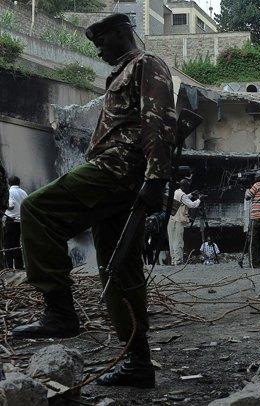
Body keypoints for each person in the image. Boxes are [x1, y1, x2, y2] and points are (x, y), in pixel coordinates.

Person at [11, 13, 177, 389]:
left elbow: (158, 121)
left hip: (115, 171)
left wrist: (156, 176)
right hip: (122, 179)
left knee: (36, 210)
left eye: (102, 42)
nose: (99, 50)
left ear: (121, 34)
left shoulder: (146, 64)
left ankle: (59, 311)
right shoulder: (123, 70)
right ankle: (138, 363)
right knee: (120, 270)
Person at [168, 179, 201, 265]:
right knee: (178, 241)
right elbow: (192, 205)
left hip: (171, 220)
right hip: (178, 221)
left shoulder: (176, 192)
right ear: (185, 187)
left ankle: (174, 260)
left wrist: (191, 195)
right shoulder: (182, 195)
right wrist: (199, 199)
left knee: (172, 241)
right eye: (187, 187)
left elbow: (183, 198)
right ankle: (178, 261)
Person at [4, 176, 28, 269]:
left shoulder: (9, 192)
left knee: (8, 244)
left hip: (11, 220)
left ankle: (9, 267)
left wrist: (3, 206)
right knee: (17, 243)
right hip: (20, 221)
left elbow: (11, 205)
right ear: (19, 183)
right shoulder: (23, 192)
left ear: (9, 183)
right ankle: (19, 266)